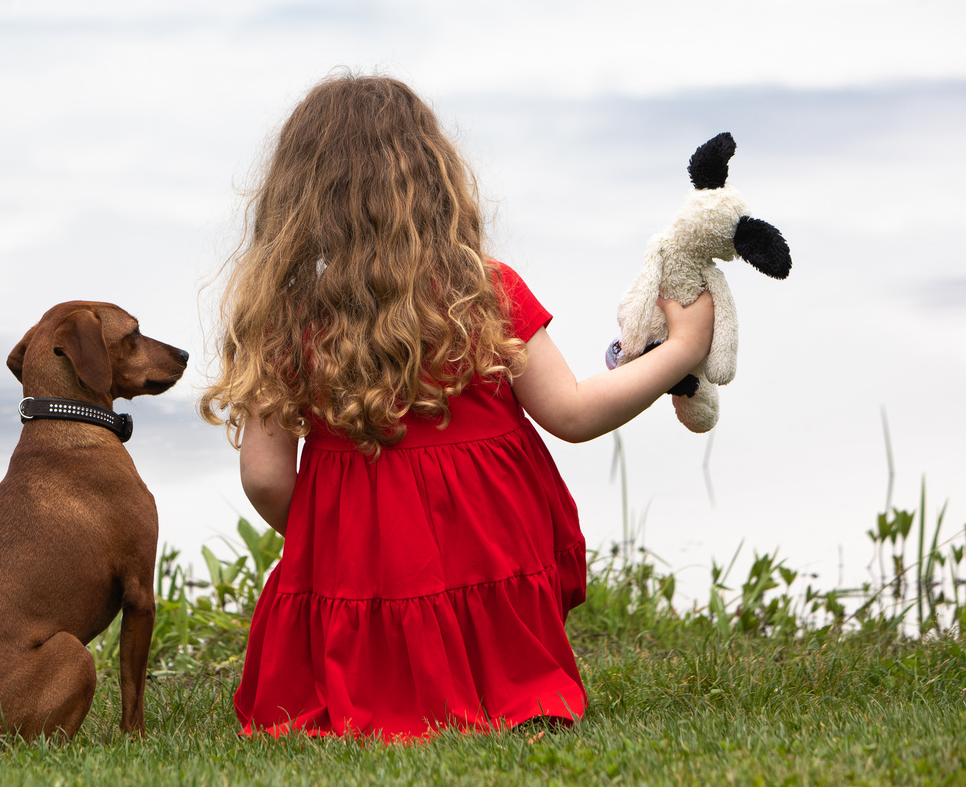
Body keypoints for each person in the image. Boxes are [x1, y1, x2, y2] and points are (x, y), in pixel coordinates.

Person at [201, 74, 714, 740]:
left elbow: (266, 478)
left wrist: (331, 546)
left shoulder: (282, 315)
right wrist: (681, 348)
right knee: (501, 653)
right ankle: (502, 686)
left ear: (298, 196)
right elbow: (574, 413)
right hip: (490, 554)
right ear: (434, 177)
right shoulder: (484, 291)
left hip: (357, 574)